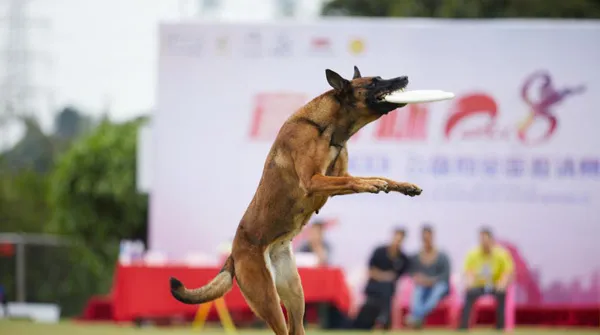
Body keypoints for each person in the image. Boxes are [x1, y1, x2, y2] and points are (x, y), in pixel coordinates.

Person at [352, 227, 410, 330]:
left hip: (389, 289)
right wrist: (385, 276)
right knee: (385, 287)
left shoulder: (403, 258)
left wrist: (387, 278)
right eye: (396, 239)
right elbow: (371, 271)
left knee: (387, 287)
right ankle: (383, 320)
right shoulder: (379, 252)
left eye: (400, 240)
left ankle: (382, 320)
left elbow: (397, 277)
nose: (397, 242)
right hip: (373, 287)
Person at [459, 228, 514, 330]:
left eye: (486, 240)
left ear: (492, 240)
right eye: (481, 240)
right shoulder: (473, 254)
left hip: (496, 285)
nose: (484, 243)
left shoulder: (501, 254)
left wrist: (502, 283)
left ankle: (500, 326)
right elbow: (468, 272)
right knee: (469, 293)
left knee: (501, 294)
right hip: (479, 285)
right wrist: (468, 283)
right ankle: (464, 326)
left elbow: (508, 272)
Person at [405, 224, 451, 328]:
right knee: (417, 291)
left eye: (428, 237)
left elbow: (445, 275)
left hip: (439, 286)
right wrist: (417, 278)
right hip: (423, 286)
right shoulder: (416, 257)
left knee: (436, 292)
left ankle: (416, 318)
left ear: (433, 237)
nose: (426, 240)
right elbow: (411, 272)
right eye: (424, 237)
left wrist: (430, 281)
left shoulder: (442, 256)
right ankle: (417, 320)